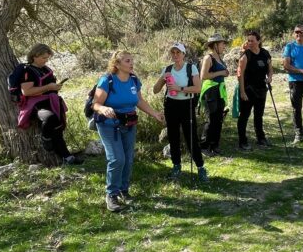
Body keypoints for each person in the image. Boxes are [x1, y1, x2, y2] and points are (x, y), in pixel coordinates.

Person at [91, 50, 164, 212]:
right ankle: (111, 194)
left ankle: (124, 190)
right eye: (127, 61)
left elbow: (139, 100)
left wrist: (155, 114)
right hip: (109, 125)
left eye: (132, 60)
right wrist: (103, 109)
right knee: (117, 159)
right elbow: (95, 104)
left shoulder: (133, 80)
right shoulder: (107, 80)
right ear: (116, 64)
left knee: (128, 159)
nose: (131, 63)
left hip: (129, 124)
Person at [18, 43, 83, 165]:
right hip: (36, 104)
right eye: (43, 58)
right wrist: (48, 87)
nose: (45, 60)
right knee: (50, 118)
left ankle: (68, 158)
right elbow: (26, 91)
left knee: (57, 128)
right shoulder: (28, 71)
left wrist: (55, 87)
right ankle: (45, 138)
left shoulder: (45, 69)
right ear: (34, 56)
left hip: (51, 101)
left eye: (47, 58)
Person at [153, 42, 208, 182]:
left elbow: (197, 88)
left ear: (184, 54)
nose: (176, 55)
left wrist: (179, 88)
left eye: (178, 52)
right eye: (173, 52)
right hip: (171, 105)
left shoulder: (191, 68)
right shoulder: (167, 69)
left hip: (187, 104)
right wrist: (162, 78)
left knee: (191, 137)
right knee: (173, 136)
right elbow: (155, 90)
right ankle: (176, 165)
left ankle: (200, 167)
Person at [237, 31, 273, 150]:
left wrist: (270, 78)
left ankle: (261, 138)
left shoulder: (265, 53)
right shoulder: (246, 56)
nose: (250, 43)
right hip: (248, 90)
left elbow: (270, 69)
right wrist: (242, 92)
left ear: (259, 41)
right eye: (248, 40)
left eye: (252, 40)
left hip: (261, 89)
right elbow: (239, 75)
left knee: (259, 115)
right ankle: (242, 141)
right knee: (244, 116)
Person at [200, 33, 230, 156]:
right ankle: (204, 146)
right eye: (222, 43)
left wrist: (224, 73)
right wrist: (221, 73)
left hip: (220, 90)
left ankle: (215, 145)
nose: (224, 46)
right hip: (210, 91)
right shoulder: (209, 58)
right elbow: (204, 76)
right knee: (211, 119)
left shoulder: (219, 58)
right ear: (215, 45)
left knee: (219, 119)